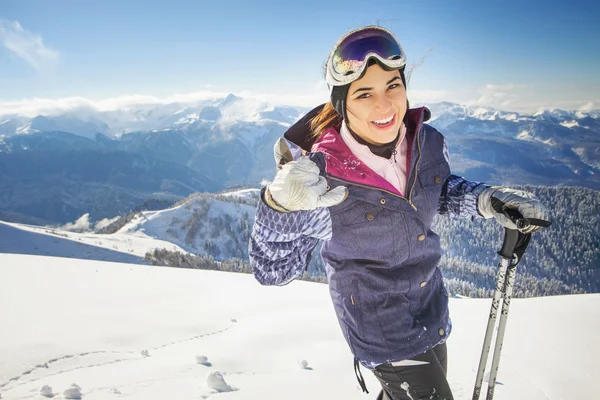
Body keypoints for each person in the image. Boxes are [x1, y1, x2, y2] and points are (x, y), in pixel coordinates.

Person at [248, 26, 549, 400]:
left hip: (430, 306)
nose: (384, 105)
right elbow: (271, 271)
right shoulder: (319, 180)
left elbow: (435, 192)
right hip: (380, 329)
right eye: (364, 93)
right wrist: (280, 208)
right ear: (343, 104)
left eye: (392, 86)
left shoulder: (426, 142)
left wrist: (489, 200)